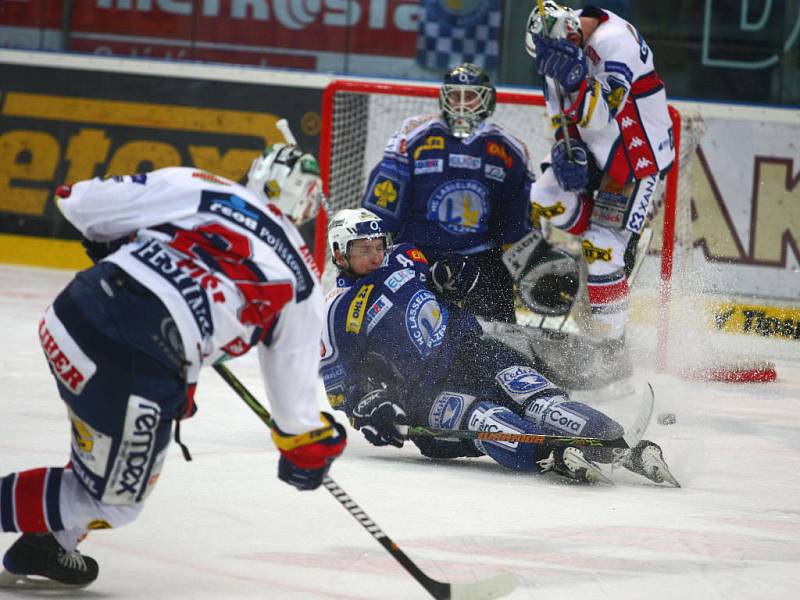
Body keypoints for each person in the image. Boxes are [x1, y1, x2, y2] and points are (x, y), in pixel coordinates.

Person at [0, 142, 347, 589]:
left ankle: (47, 543)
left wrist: (112, 240)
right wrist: (311, 448)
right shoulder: (301, 277)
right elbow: (296, 420)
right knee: (114, 501)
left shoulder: (202, 186)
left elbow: (77, 201)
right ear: (305, 206)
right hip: (133, 363)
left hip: (70, 318)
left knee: (109, 449)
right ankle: (51, 532)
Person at [319, 207, 677, 488]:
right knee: (488, 419)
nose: (376, 255)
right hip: (423, 396)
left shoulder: (405, 256)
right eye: (364, 250)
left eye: (379, 245)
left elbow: (454, 276)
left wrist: (456, 274)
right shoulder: (337, 310)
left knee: (540, 399)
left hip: (472, 351)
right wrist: (370, 406)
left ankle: (618, 446)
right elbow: (340, 388)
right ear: (339, 253)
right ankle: (553, 455)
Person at [524, 2, 675, 344]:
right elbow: (560, 114)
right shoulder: (556, 51)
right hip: (596, 148)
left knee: (601, 250)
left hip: (635, 157)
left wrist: (576, 76)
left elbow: (602, 114)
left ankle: (610, 350)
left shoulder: (615, 40)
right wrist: (565, 149)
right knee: (544, 197)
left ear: (573, 33)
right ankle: (615, 237)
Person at [361, 62, 535, 323]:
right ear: (444, 97)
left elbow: (513, 224)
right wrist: (369, 248)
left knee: (501, 338)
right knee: (397, 329)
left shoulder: (509, 150)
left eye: (471, 96)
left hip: (479, 258)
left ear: (487, 101)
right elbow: (383, 206)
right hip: (416, 254)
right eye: (456, 95)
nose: (462, 104)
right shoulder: (412, 136)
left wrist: (528, 261)